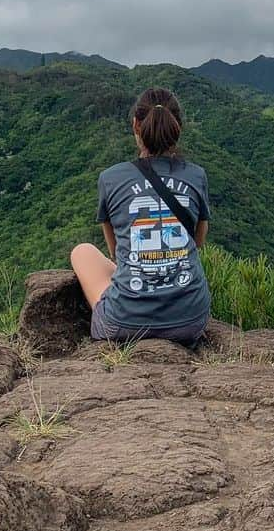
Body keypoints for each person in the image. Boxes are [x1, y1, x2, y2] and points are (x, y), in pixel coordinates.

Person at [70, 87, 212, 344]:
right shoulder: (196, 175)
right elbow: (198, 242)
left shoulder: (110, 178)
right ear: (178, 126)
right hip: (189, 322)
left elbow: (115, 251)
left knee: (82, 251)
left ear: (136, 125)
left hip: (123, 325)